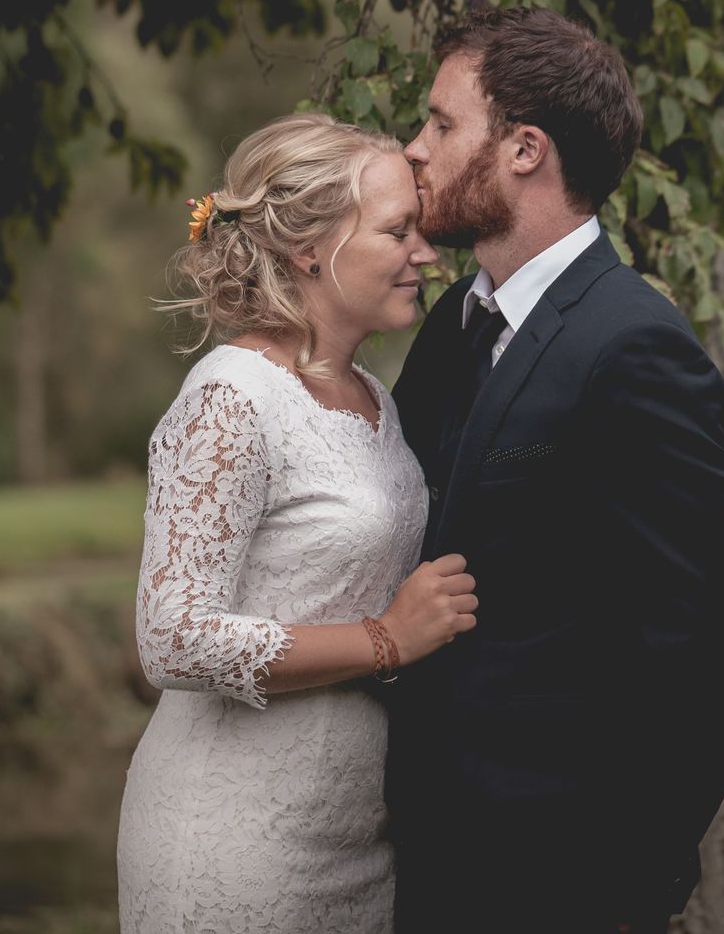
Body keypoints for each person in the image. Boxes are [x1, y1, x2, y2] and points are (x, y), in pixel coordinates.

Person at [386, 6, 724, 934]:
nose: (414, 149)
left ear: (524, 149)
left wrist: (630, 885)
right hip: (430, 861)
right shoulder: (450, 328)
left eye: (440, 123)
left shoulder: (635, 349)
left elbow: (697, 645)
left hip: (564, 877)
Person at [116, 112, 477, 934]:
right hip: (232, 834)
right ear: (309, 249)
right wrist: (385, 638)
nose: (425, 254)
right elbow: (171, 637)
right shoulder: (231, 397)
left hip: (355, 839)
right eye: (397, 231)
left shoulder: (376, 400)